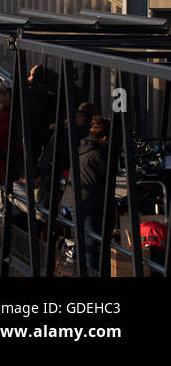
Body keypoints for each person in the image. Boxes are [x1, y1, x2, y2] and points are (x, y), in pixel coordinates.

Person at [77, 116, 111, 275]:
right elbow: (108, 174)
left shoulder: (83, 146)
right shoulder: (97, 153)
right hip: (88, 202)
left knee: (81, 242)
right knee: (90, 244)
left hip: (76, 200)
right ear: (104, 138)